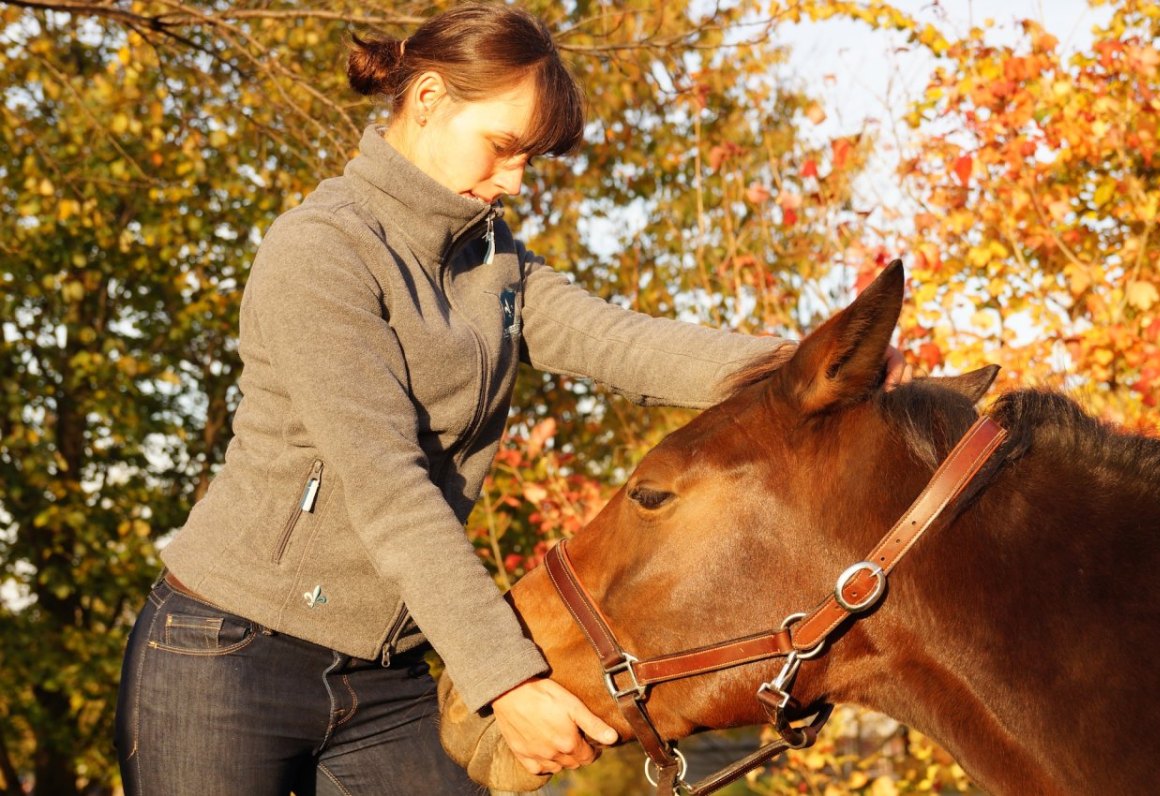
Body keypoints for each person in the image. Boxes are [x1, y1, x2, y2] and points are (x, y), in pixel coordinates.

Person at [115, 3, 906, 794]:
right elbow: (389, 485)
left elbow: (620, 342)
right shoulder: (322, 252)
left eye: (529, 158)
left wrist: (813, 369)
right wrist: (507, 679)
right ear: (427, 99)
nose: (513, 181)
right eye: (502, 148)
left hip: (387, 672)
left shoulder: (491, 263)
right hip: (226, 656)